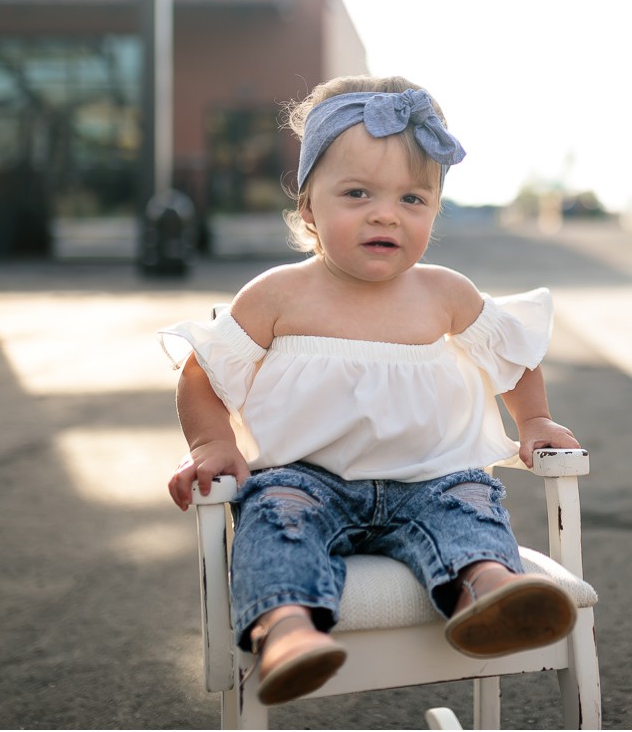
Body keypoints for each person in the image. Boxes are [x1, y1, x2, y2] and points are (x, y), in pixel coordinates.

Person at [161, 75, 581, 706]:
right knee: (273, 520)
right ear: (309, 207)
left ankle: (488, 590)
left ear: (435, 211)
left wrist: (537, 422)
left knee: (471, 507)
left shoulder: (445, 294)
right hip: (306, 480)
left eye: (413, 198)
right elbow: (203, 373)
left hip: (430, 479)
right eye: (357, 193)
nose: (386, 213)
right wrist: (213, 442)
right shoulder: (278, 295)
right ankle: (288, 628)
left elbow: (513, 359)